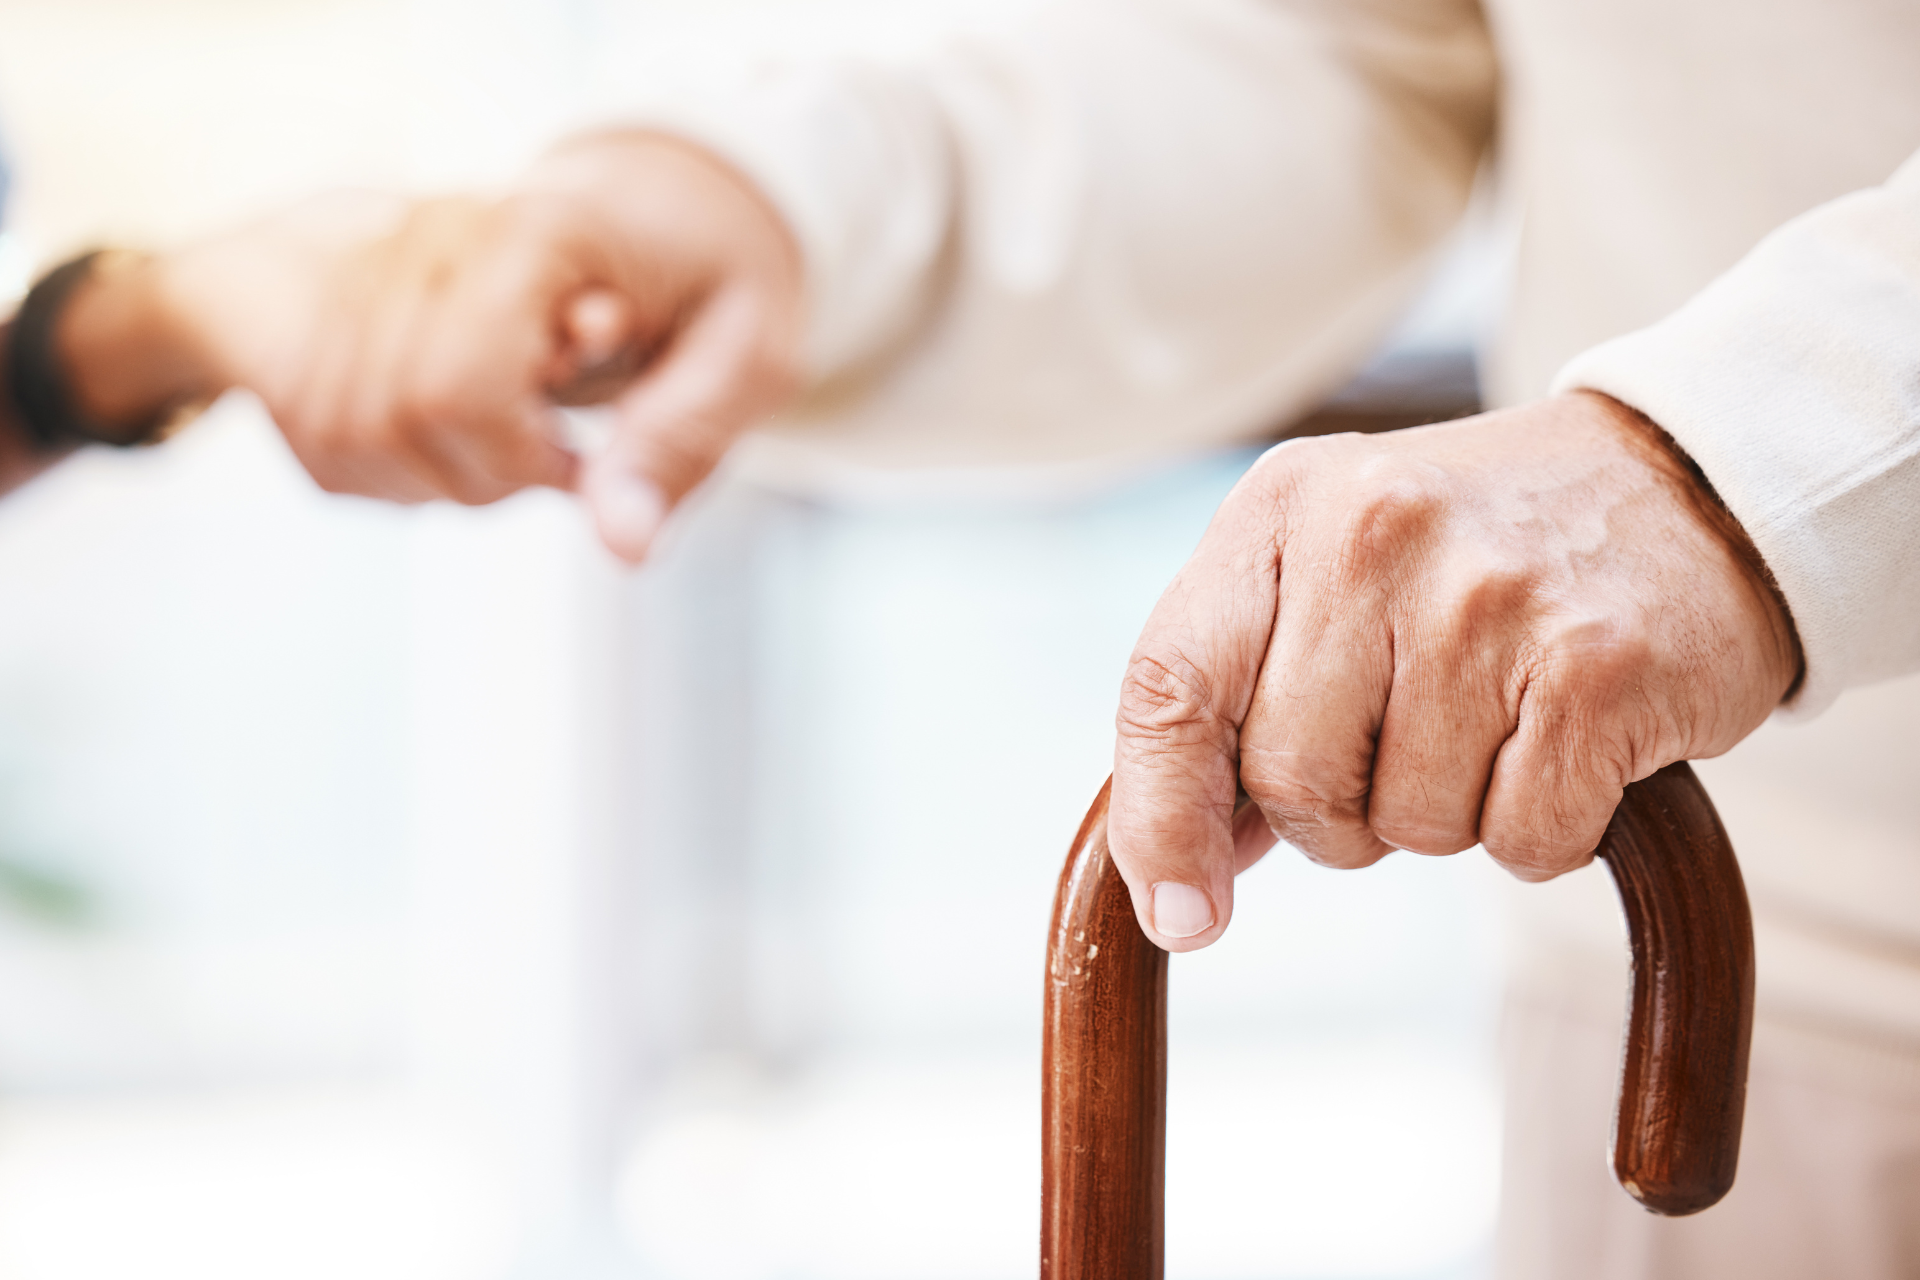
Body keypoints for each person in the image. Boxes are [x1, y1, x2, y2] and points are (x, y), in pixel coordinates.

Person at [9, 2, 1918, 1273]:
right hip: (1731, 1039)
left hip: (1720, 929)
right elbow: (1348, 56)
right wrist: (782, 204)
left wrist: (1749, 462)